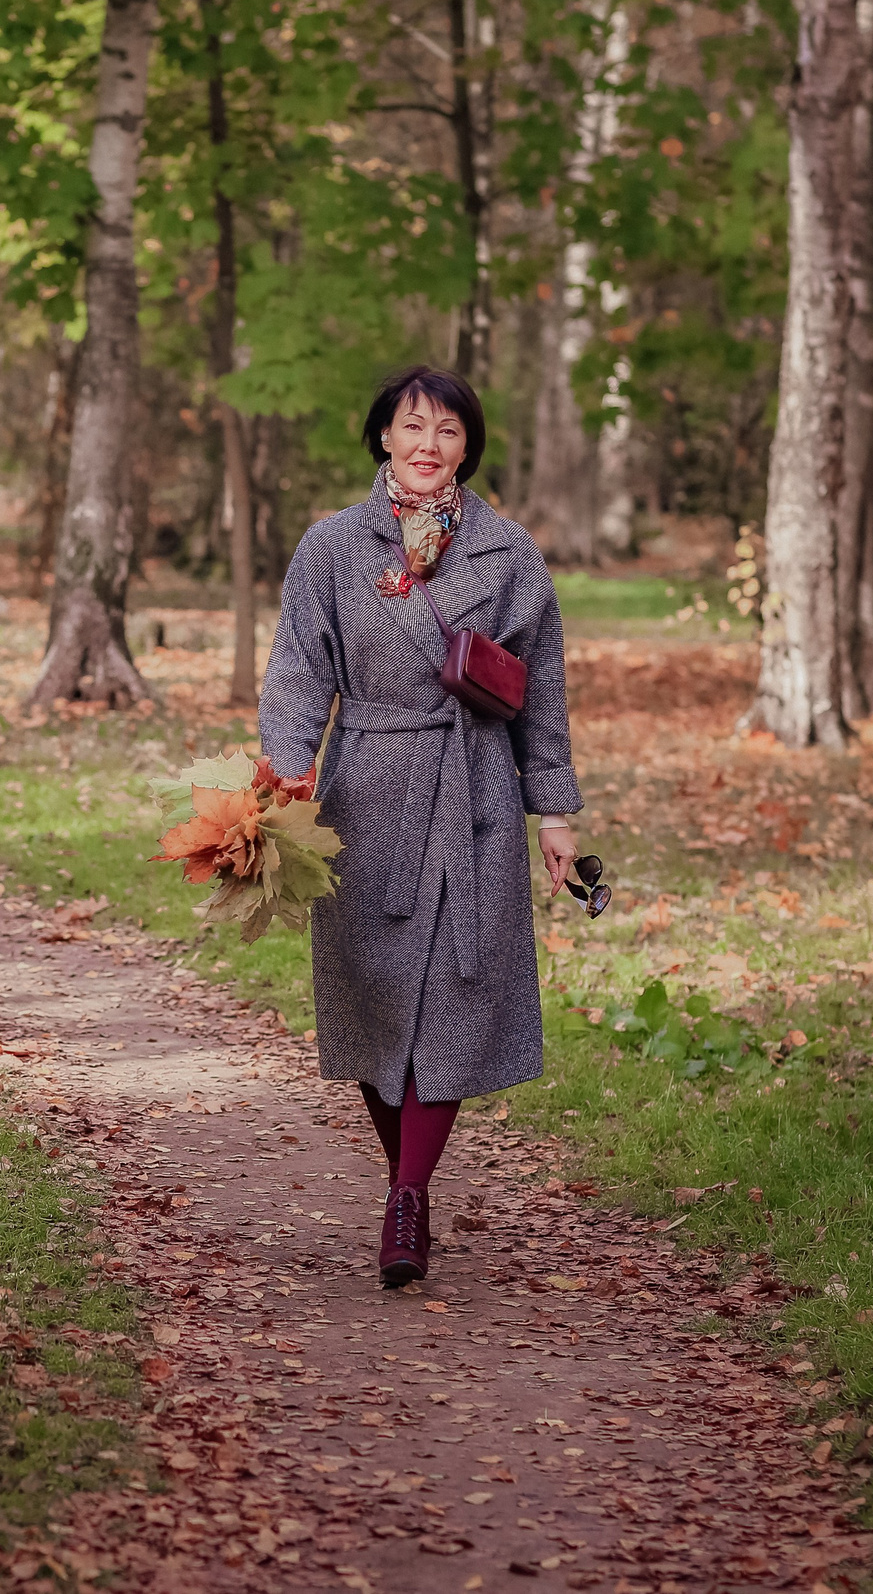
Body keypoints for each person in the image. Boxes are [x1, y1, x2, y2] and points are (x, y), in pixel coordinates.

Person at [255, 364, 584, 1287]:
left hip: (471, 790)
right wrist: (287, 767)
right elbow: (295, 671)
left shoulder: (510, 552)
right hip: (363, 793)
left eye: (448, 430)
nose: (430, 444)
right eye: (413, 426)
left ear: (468, 446)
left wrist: (552, 812)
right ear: (384, 439)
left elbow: (542, 693)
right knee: (374, 996)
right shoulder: (331, 548)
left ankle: (407, 1196)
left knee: (452, 993)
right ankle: (410, 1173)